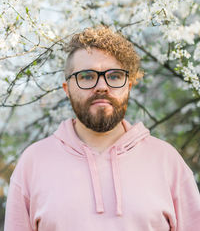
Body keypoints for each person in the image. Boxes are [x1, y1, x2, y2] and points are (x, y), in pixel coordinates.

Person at [4, 26, 200, 231]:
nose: (101, 86)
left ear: (129, 87)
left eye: (114, 76)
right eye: (87, 76)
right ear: (67, 90)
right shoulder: (33, 163)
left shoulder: (167, 161)